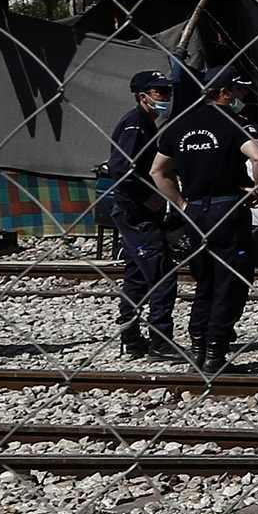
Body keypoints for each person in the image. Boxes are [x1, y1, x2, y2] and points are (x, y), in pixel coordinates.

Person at [150, 65, 258, 374]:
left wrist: (181, 204)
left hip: (196, 213)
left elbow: (157, 171)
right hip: (228, 209)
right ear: (225, 92)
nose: (241, 95)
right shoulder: (233, 122)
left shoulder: (179, 124)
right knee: (230, 280)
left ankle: (199, 347)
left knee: (204, 280)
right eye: (237, 90)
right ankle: (216, 353)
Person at [100, 67, 180, 359]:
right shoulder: (135, 125)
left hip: (139, 209)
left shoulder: (147, 124)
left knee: (137, 275)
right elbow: (122, 168)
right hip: (136, 211)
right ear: (143, 96)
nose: (166, 97)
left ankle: (131, 337)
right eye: (160, 92)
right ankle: (160, 340)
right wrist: (149, 198)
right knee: (162, 275)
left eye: (168, 92)